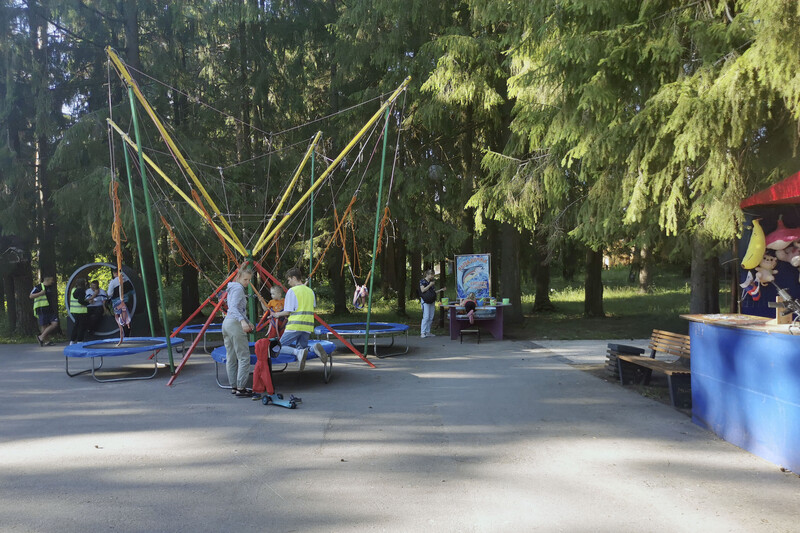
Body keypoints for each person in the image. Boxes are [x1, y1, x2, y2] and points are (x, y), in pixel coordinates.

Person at [269, 267, 326, 371]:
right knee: (302, 348)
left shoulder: (292, 291)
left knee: (277, 347)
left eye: (289, 279)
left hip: (295, 325)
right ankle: (312, 348)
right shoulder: (310, 291)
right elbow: (311, 306)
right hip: (308, 326)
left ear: (294, 278)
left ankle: (297, 353)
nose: (288, 282)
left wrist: (277, 315)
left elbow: (288, 311)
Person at [223, 265, 255, 397]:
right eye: (245, 279)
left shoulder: (232, 288)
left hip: (226, 323)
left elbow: (236, 309)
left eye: (249, 280)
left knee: (231, 356)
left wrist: (247, 320)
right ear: (239, 277)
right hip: (234, 324)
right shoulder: (238, 288)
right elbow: (233, 308)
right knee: (243, 356)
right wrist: (242, 322)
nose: (247, 282)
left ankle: (234, 386)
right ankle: (241, 387)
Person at [30, 275, 59, 346]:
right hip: (42, 309)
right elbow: (31, 296)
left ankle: (41, 337)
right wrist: (40, 293)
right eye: (52, 280)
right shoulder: (38, 287)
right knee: (44, 326)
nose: (53, 282)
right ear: (47, 280)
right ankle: (47, 341)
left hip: (50, 309)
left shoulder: (50, 287)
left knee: (55, 323)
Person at [419, 269, 445, 338]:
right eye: (431, 275)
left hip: (432, 300)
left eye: (433, 275)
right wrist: (430, 285)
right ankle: (422, 332)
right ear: (427, 274)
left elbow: (433, 292)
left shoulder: (431, 282)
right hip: (425, 301)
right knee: (426, 316)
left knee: (431, 317)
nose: (432, 276)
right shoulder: (422, 281)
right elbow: (423, 290)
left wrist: (441, 290)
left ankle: (428, 332)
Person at [69, 278, 90, 345]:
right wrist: (88, 303)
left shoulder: (73, 290)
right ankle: (80, 341)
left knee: (76, 326)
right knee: (81, 326)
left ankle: (72, 340)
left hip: (74, 310)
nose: (86, 283)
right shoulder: (82, 290)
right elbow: (80, 301)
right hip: (81, 311)